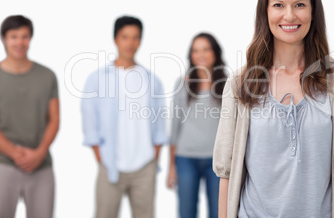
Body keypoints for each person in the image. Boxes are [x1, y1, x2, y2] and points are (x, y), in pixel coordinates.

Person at [213, 0, 334, 218]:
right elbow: (226, 173)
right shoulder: (241, 83)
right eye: (278, 5)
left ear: (313, 10)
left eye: (299, 4)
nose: (289, 16)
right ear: (265, 12)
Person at [81, 16, 168, 218]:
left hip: (144, 166)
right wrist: (100, 155)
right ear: (115, 39)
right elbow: (89, 120)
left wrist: (154, 157)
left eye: (135, 37)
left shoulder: (151, 80)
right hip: (110, 164)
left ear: (140, 40)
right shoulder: (97, 79)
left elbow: (159, 123)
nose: (130, 43)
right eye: (125, 37)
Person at [0, 15, 60, 218]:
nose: (19, 42)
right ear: (4, 39)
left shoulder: (47, 76)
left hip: (41, 164)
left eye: (25, 36)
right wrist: (15, 154)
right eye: (14, 36)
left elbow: (54, 119)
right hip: (3, 163)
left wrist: (39, 153)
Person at [167, 32, 227, 218]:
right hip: (186, 159)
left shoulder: (228, 85)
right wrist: (171, 166)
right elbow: (175, 127)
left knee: (219, 213)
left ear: (215, 52)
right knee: (186, 213)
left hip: (217, 162)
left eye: (205, 49)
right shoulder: (182, 85)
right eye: (195, 50)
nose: (200, 54)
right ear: (191, 55)